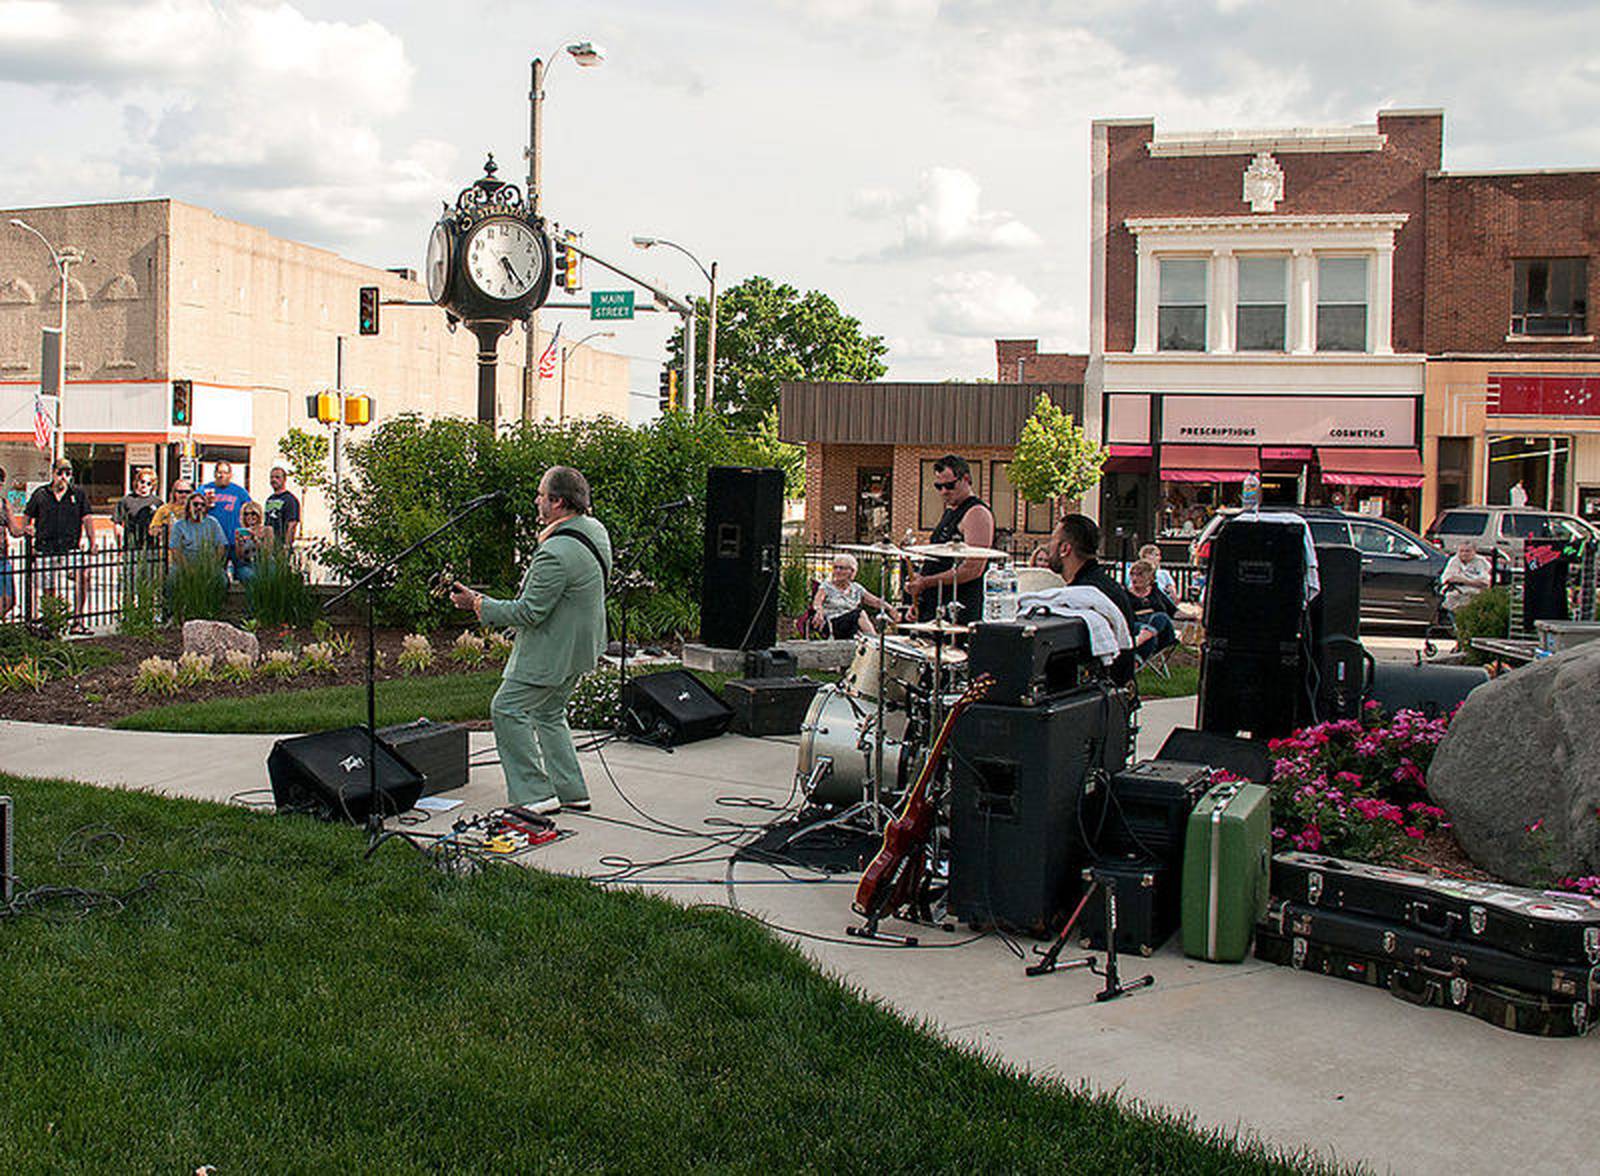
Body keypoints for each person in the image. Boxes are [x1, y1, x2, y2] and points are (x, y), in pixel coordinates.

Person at [451, 466, 611, 815]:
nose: (536, 500)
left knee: (506, 708)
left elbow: (528, 613)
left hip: (551, 652)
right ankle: (571, 791)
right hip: (582, 647)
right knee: (549, 712)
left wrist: (477, 604)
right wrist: (484, 601)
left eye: (541, 495)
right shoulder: (595, 531)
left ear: (557, 502)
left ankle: (535, 795)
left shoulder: (555, 553)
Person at [905, 454, 995, 624]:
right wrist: (919, 599)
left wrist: (925, 583)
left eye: (950, 485)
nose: (944, 491)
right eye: (939, 486)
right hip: (936, 605)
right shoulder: (950, 511)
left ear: (966, 479)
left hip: (958, 608)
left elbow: (973, 568)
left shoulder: (976, 513)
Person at [24, 458, 96, 633]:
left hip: (70, 547)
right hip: (45, 547)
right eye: (60, 473)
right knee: (49, 587)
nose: (63, 477)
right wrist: (28, 532)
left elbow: (86, 518)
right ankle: (52, 621)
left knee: (83, 577)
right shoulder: (40, 494)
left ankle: (77, 620)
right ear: (53, 473)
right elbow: (28, 516)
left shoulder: (77, 494)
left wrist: (92, 541)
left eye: (67, 473)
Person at [811, 552, 898, 638]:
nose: (837, 571)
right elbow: (817, 601)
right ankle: (875, 642)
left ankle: (872, 643)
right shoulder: (826, 586)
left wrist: (890, 608)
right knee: (860, 613)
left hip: (851, 626)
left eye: (841, 568)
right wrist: (819, 610)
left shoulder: (856, 588)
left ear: (851, 571)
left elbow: (875, 601)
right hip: (832, 624)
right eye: (835, 568)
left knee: (858, 620)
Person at [198, 460, 251, 561]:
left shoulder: (240, 491)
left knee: (242, 573)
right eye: (219, 472)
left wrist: (246, 533)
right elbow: (193, 507)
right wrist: (205, 505)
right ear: (214, 474)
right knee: (215, 572)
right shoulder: (205, 489)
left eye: (225, 472)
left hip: (235, 541)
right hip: (213, 542)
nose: (222, 475)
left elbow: (250, 511)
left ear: (231, 475)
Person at [1127, 558, 1179, 658]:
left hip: (1160, 635)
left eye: (1139, 575)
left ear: (1150, 578)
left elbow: (1174, 612)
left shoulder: (1156, 592)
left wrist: (1195, 615)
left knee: (1161, 617)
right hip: (1137, 629)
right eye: (1132, 574)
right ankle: (1137, 660)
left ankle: (1144, 638)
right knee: (1147, 633)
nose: (1134, 578)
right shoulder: (1125, 594)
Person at [168, 490, 228, 568]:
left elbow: (221, 545)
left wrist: (213, 565)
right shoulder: (179, 525)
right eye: (195, 504)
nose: (199, 507)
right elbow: (175, 549)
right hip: (185, 565)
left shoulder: (213, 523)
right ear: (189, 507)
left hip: (209, 564)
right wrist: (187, 569)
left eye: (202, 505)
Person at [0, 465, 26, 618]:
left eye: (1, 480)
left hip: (3, 557)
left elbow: (14, 530)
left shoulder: (4, 504)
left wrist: (26, 530)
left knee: (9, 600)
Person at [1440, 539, 1492, 615]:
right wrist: (1472, 581)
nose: (1464, 554)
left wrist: (1462, 580)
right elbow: (1448, 579)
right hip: (1456, 594)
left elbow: (1484, 583)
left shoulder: (1481, 562)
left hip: (1474, 594)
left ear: (1474, 552)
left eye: (1467, 551)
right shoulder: (1454, 560)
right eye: (1461, 551)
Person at [232, 501, 271, 583]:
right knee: (250, 576)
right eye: (246, 514)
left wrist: (255, 538)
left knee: (269, 573)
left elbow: (267, 552)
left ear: (258, 515)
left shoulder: (267, 530)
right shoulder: (240, 532)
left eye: (253, 513)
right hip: (246, 564)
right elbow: (239, 556)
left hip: (263, 563)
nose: (250, 516)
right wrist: (239, 543)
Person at [264, 465, 301, 547]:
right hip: (269, 545)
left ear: (284, 479)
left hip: (281, 545)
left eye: (277, 477)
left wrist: (287, 545)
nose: (274, 480)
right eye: (272, 477)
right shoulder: (269, 499)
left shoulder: (290, 500)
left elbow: (292, 524)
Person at [148, 478, 194, 542]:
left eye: (187, 492)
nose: (184, 495)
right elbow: (152, 531)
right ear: (174, 493)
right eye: (180, 492)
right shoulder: (164, 509)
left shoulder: (197, 509)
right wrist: (163, 529)